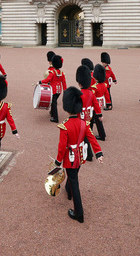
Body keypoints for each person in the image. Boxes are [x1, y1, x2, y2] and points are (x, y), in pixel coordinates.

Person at [53, 87, 104, 223]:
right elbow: (92, 138)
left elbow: (62, 147)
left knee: (75, 182)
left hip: (70, 158)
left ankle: (79, 213)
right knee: (73, 176)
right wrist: (99, 153)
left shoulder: (65, 126)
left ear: (67, 108)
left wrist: (58, 161)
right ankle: (68, 191)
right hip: (80, 156)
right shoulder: (84, 123)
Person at [41, 54, 66, 123]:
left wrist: (40, 82)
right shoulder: (62, 73)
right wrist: (65, 90)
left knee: (53, 103)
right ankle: (52, 113)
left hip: (53, 90)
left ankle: (55, 118)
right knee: (53, 102)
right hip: (59, 91)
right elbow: (64, 83)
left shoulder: (52, 73)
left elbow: (47, 80)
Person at [92, 65, 109, 140]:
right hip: (101, 103)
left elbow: (92, 98)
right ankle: (101, 134)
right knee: (94, 118)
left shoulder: (95, 87)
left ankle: (101, 135)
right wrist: (108, 103)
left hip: (95, 104)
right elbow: (107, 95)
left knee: (95, 119)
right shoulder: (104, 85)